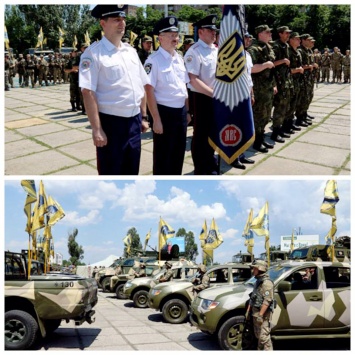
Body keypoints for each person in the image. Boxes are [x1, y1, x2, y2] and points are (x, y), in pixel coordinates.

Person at [79, 5, 149, 175]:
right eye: (116, 19)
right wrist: (96, 129)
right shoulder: (93, 54)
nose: (122, 23)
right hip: (111, 124)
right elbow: (88, 92)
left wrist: (144, 115)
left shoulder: (131, 52)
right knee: (111, 172)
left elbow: (142, 85)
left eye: (123, 19)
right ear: (103, 23)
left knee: (132, 172)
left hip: (134, 122)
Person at [144, 16, 190, 175]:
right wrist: (155, 119)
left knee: (178, 154)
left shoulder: (179, 58)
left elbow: (183, 87)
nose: (175, 38)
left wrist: (188, 111)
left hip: (181, 113)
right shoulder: (153, 61)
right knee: (163, 156)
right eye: (170, 35)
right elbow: (148, 91)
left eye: (176, 35)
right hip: (164, 113)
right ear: (160, 38)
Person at [184, 14, 219, 175]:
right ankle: (201, 168)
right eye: (210, 30)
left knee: (213, 132)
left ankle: (211, 163)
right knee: (201, 135)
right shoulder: (194, 51)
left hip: (216, 97)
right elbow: (193, 79)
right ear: (201, 32)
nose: (214, 33)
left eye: (215, 31)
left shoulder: (216, 49)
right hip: (202, 98)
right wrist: (214, 94)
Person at [247, 25, 276, 153]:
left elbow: (272, 70)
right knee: (258, 115)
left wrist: (274, 85)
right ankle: (256, 142)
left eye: (270, 32)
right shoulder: (253, 49)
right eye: (267, 32)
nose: (270, 34)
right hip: (258, 88)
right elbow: (250, 68)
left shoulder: (268, 48)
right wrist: (265, 65)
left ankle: (261, 138)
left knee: (266, 115)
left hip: (268, 87)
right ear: (260, 34)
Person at [231, 32, 255, 170]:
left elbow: (249, 77)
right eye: (245, 38)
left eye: (249, 38)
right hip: (235, 97)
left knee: (244, 125)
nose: (248, 40)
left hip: (246, 94)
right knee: (236, 127)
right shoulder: (233, 55)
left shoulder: (248, 55)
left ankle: (242, 154)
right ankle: (233, 156)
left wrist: (251, 94)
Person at [245, 259, 274, 350]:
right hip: (255, 313)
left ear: (260, 269)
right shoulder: (258, 281)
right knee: (258, 335)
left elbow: (267, 300)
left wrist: (260, 315)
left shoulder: (266, 283)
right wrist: (248, 311)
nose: (252, 270)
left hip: (263, 315)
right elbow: (253, 297)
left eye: (254, 268)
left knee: (263, 337)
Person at [271, 26, 293, 143]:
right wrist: (283, 60)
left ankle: (280, 129)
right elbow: (271, 63)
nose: (288, 35)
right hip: (278, 80)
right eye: (286, 33)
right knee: (279, 107)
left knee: (285, 106)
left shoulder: (287, 46)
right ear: (280, 34)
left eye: (289, 33)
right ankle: (275, 132)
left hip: (286, 80)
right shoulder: (276, 46)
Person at [283, 32, 303, 133]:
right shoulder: (289, 52)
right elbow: (287, 69)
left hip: (296, 82)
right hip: (289, 82)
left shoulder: (297, 52)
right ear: (291, 40)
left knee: (294, 104)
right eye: (297, 39)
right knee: (288, 105)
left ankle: (290, 124)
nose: (299, 41)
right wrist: (298, 70)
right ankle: (285, 126)